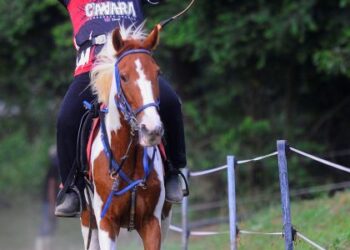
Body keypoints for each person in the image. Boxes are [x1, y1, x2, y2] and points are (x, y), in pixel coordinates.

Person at [55, 0, 187, 217]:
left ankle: (173, 171)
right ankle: (72, 188)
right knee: (66, 119)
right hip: (92, 69)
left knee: (171, 103)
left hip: (133, 67)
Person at [35, 146, 60, 250]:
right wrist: (52, 205)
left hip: (49, 201)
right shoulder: (54, 167)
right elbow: (51, 186)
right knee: (47, 226)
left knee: (50, 226)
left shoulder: (52, 167)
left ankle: (46, 247)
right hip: (49, 202)